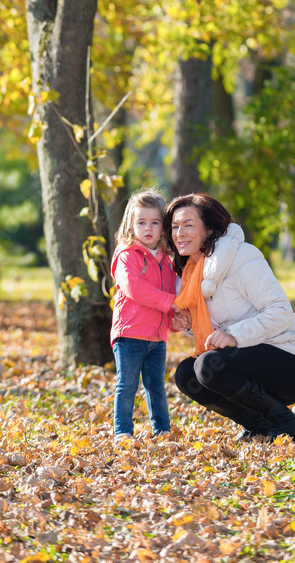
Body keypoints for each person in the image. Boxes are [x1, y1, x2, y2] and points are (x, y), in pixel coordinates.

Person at [165, 193, 295, 442]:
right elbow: (214, 329)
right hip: (253, 356)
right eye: (175, 227)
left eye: (188, 225)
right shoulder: (189, 273)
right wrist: (188, 324)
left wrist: (233, 335)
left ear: (209, 229)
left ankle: (285, 422)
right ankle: (257, 425)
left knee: (206, 366)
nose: (179, 233)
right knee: (187, 374)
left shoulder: (240, 256)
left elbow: (280, 311)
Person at [111, 188, 182, 440]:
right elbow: (135, 288)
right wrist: (169, 303)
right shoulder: (126, 255)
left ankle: (162, 430)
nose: (148, 228)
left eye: (154, 222)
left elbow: (171, 294)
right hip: (130, 332)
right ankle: (122, 431)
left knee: (157, 388)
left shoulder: (168, 260)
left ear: (163, 226)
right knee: (127, 385)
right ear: (131, 224)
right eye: (141, 222)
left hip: (157, 336)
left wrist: (175, 319)